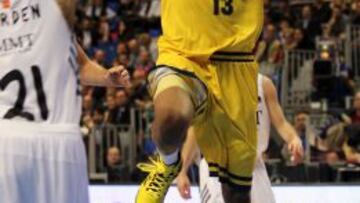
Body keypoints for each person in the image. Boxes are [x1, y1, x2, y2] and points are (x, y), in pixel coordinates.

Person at [0, 1, 130, 203]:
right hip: (33, 136)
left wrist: (106, 77)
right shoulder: (58, 7)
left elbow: (83, 66)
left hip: (52, 136)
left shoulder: (52, 16)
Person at [136, 1, 264, 202]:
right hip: (183, 55)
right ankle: (168, 163)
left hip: (236, 63)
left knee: (237, 193)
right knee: (171, 117)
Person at [177, 74, 304, 203]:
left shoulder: (264, 84)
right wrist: (182, 170)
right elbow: (195, 131)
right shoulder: (209, 84)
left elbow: (281, 123)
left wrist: (293, 138)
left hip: (254, 166)